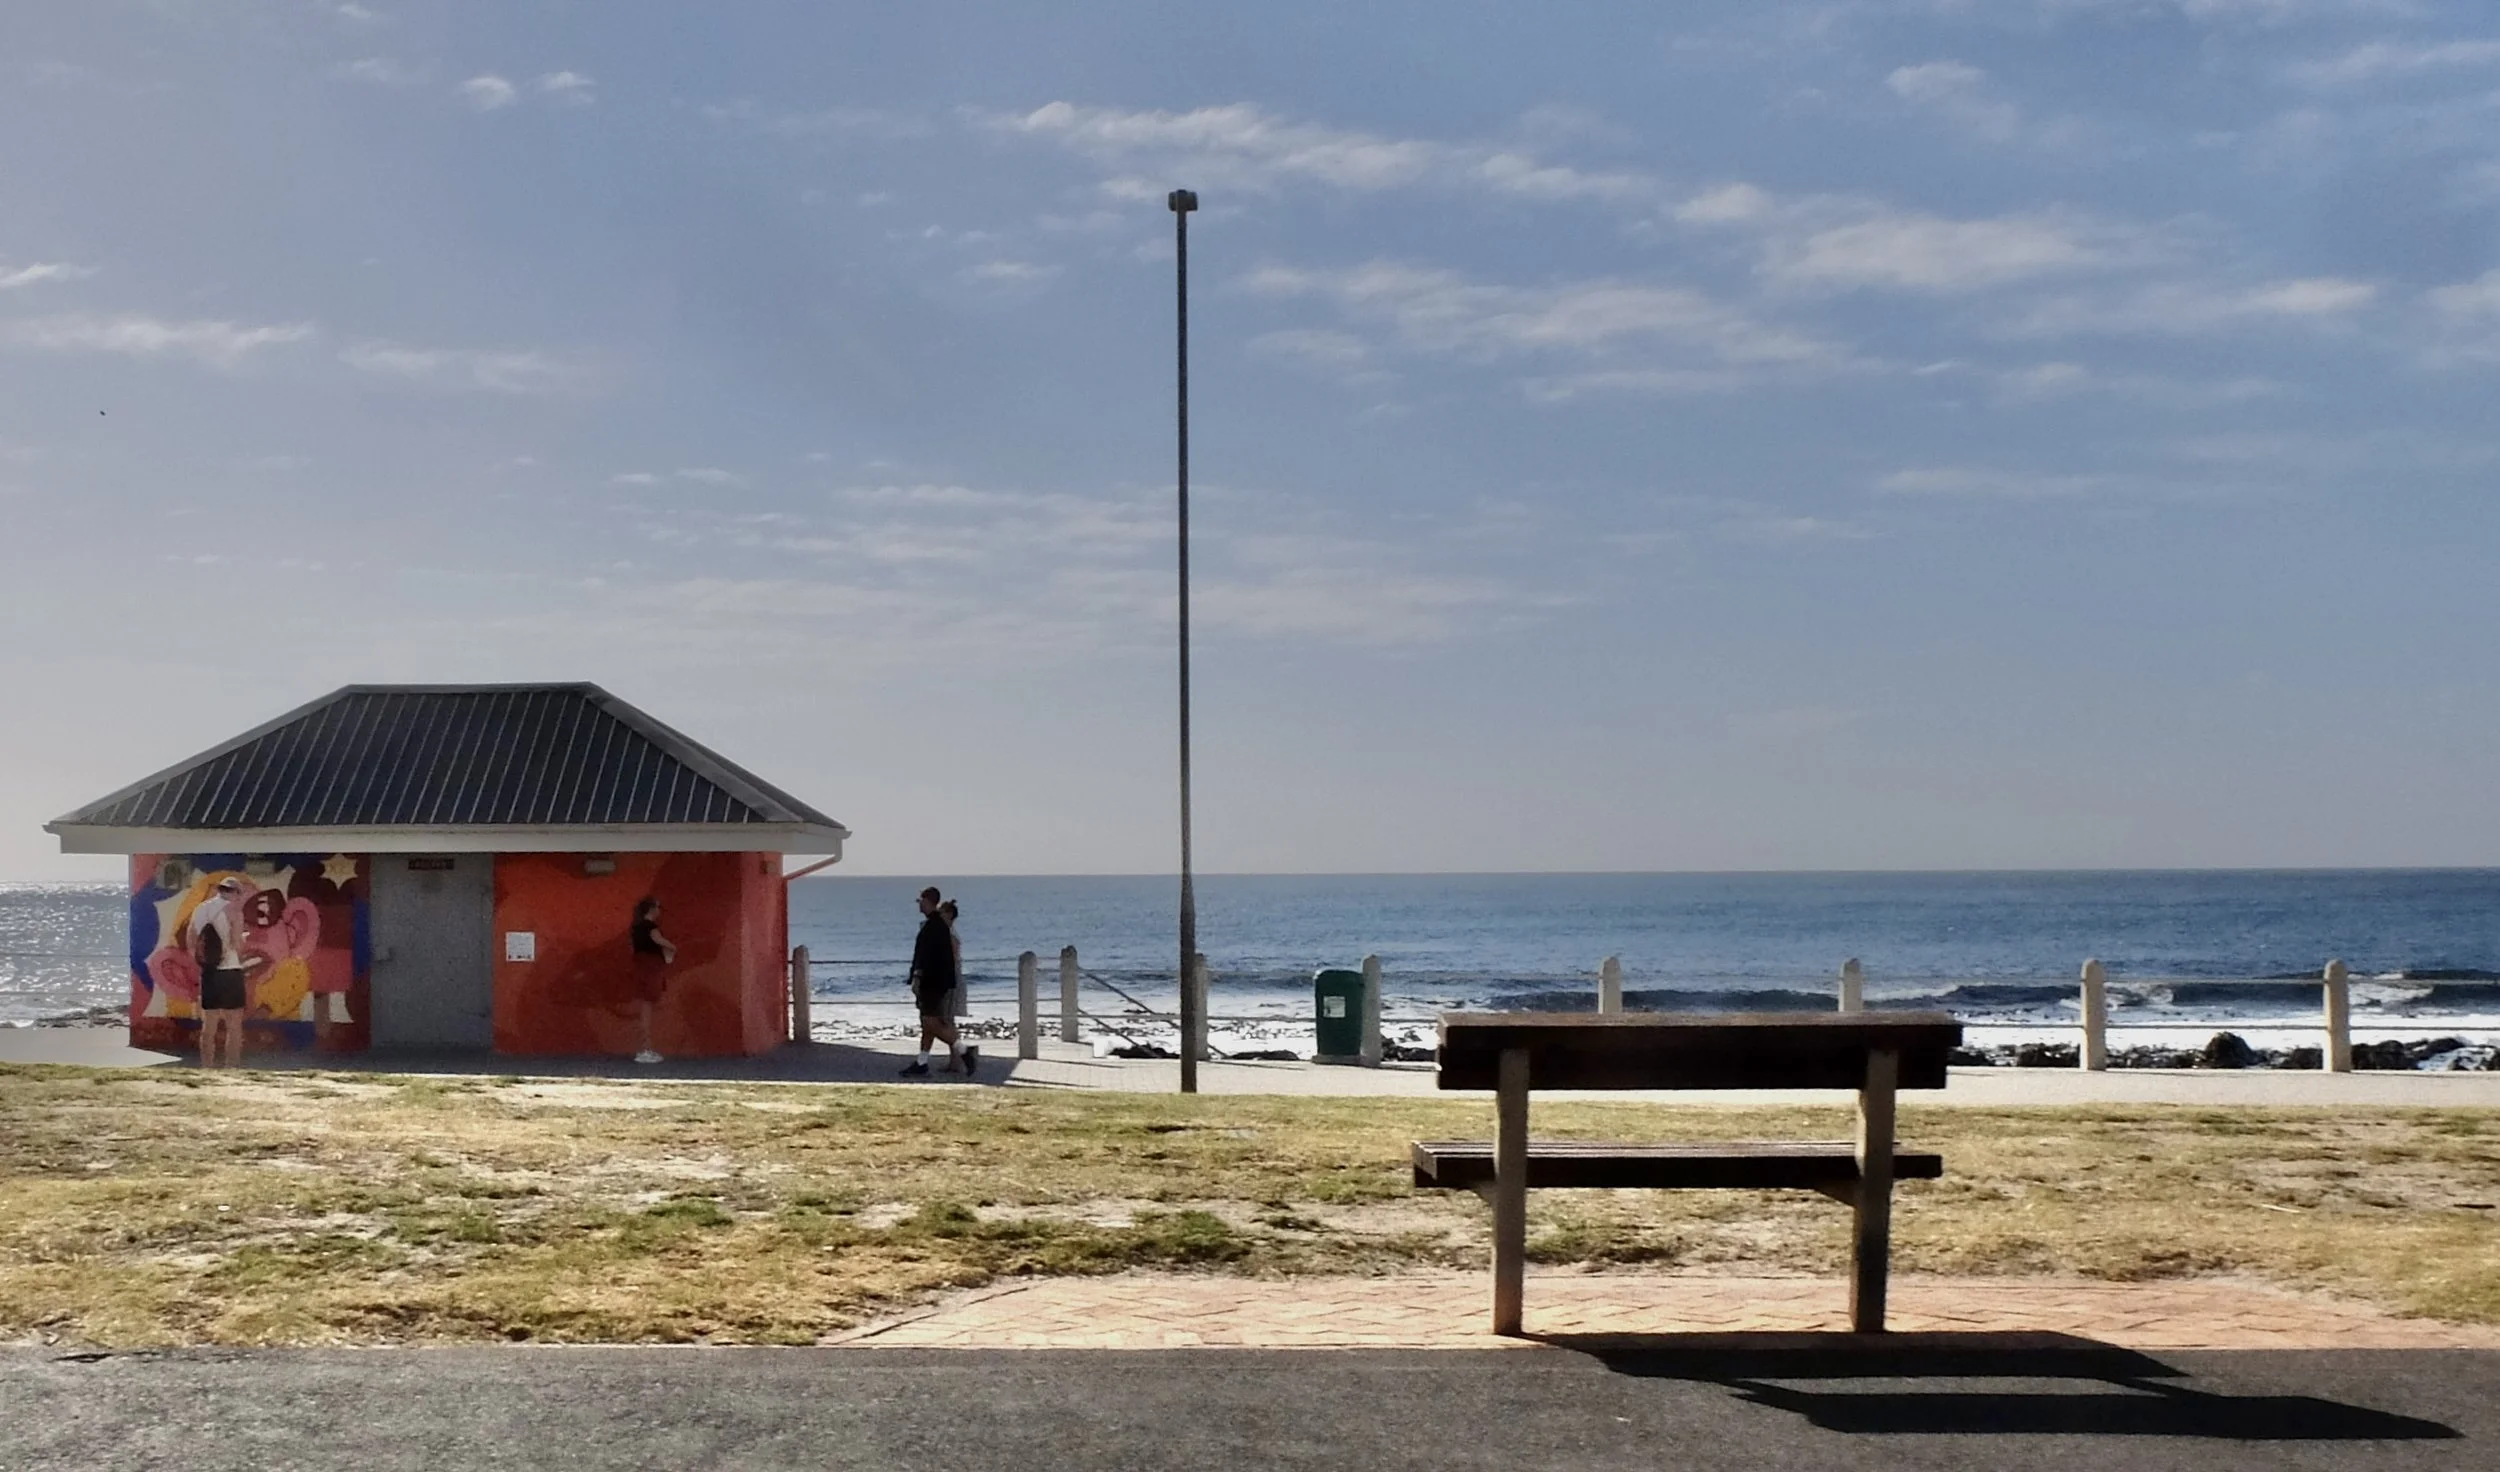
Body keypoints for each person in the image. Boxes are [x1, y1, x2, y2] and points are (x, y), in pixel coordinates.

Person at [902, 886, 973, 1078]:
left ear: (928, 901)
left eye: (921, 901)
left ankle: (964, 1051)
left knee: (931, 1022)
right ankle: (922, 1062)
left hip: (932, 982)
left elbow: (927, 956)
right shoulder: (935, 925)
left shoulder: (934, 926)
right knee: (928, 1024)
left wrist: (918, 977)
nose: (919, 905)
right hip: (935, 981)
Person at [190, 875, 250, 1068]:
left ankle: (207, 1066)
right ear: (235, 893)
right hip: (230, 970)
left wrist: (203, 961)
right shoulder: (234, 911)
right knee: (234, 1025)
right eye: (239, 894)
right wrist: (243, 940)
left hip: (209, 972)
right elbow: (237, 945)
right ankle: (231, 1067)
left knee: (209, 1024)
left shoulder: (201, 909)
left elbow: (191, 938)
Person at [630, 896, 676, 1065]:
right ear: (651, 909)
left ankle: (645, 1047)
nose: (659, 911)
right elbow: (658, 940)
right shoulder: (650, 927)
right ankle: (645, 1048)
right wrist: (673, 947)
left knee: (646, 1006)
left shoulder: (636, 928)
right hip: (650, 968)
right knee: (647, 1007)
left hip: (642, 967)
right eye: (658, 907)